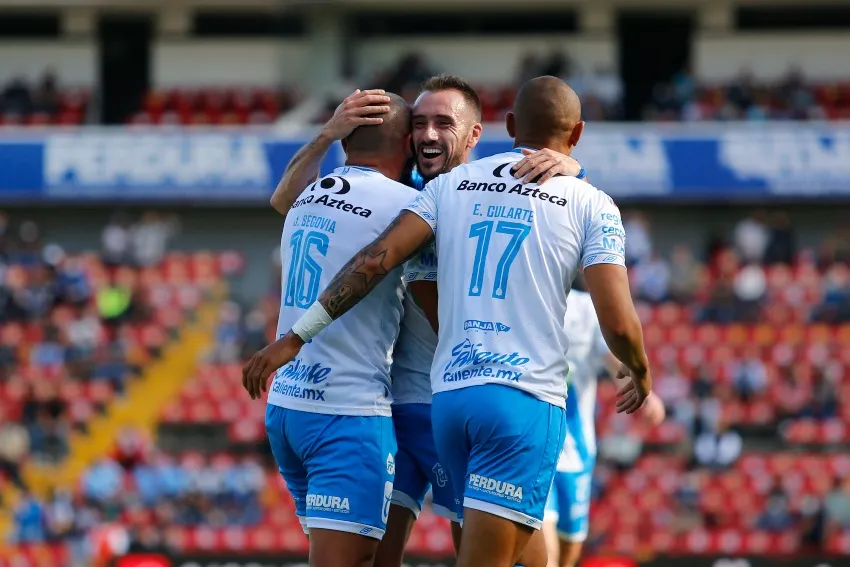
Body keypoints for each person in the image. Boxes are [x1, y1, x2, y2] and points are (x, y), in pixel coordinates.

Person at [243, 76, 653, 567]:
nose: (429, 135)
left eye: (443, 123)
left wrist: (568, 167)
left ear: (478, 134)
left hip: (447, 400)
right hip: (396, 407)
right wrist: (328, 135)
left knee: (514, 556)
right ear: (404, 136)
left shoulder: (460, 193)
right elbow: (291, 203)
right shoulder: (413, 193)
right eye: (419, 124)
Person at [253, 93, 418, 567]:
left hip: (288, 408)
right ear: (408, 144)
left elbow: (278, 197)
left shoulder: (309, 193)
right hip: (346, 411)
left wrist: (325, 134)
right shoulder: (407, 205)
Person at [542, 282, 665, 567]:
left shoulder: (587, 308)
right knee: (544, 551)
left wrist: (640, 389)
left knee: (569, 549)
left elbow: (613, 361)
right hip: (537, 446)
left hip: (576, 450)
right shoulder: (527, 297)